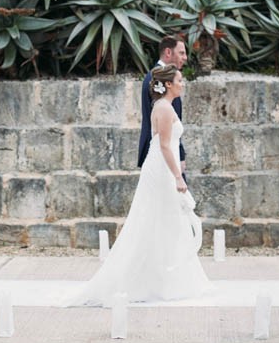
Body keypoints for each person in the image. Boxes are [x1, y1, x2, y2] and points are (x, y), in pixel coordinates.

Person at [72, 64, 208, 306]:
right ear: (168, 84)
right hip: (162, 169)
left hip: (161, 166)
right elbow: (165, 145)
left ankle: (166, 278)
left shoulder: (162, 106)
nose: (182, 83)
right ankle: (150, 280)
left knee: (165, 221)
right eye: (179, 80)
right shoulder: (164, 108)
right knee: (156, 220)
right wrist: (178, 176)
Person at [138, 35, 187, 172]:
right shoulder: (157, 79)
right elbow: (165, 124)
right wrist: (180, 156)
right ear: (168, 52)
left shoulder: (158, 77)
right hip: (162, 155)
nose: (185, 58)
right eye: (181, 53)